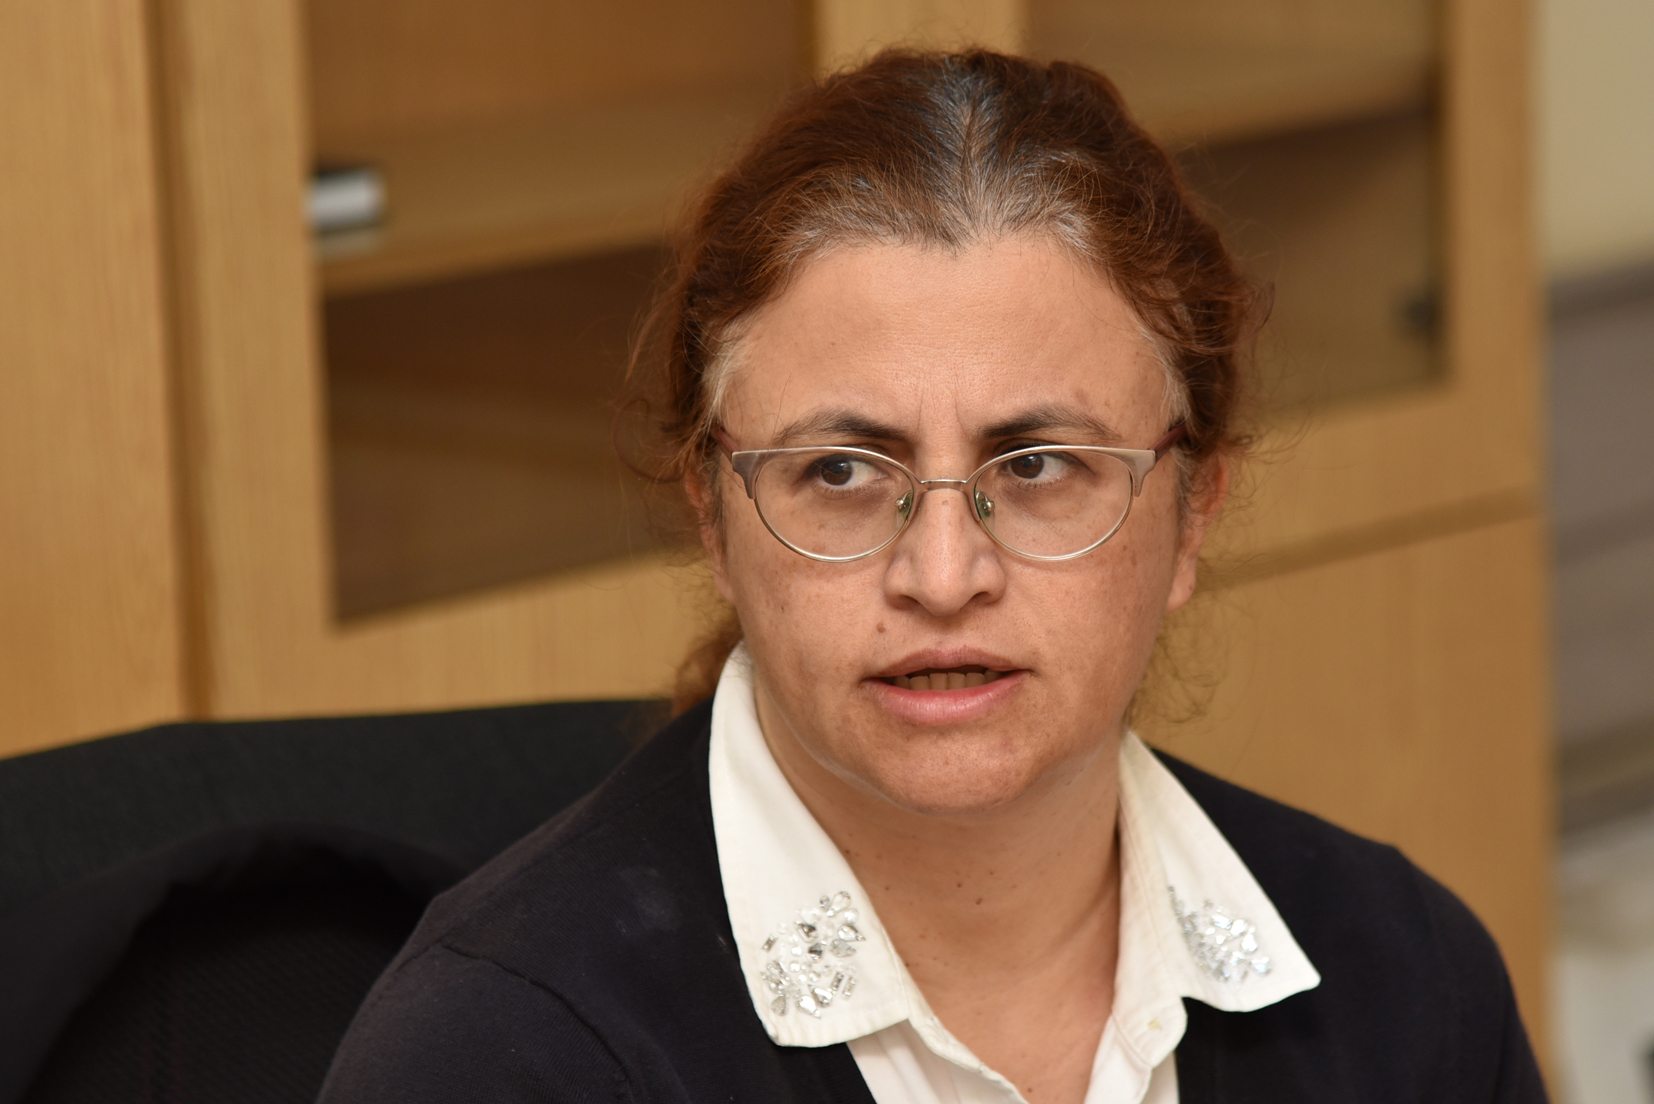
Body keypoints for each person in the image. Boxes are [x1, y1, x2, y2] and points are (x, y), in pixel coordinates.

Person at [318, 50, 1546, 1104]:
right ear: (713, 518)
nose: (944, 575)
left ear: (1192, 513)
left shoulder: (1408, 982)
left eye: (1039, 464)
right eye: (841, 472)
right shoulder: (496, 1059)